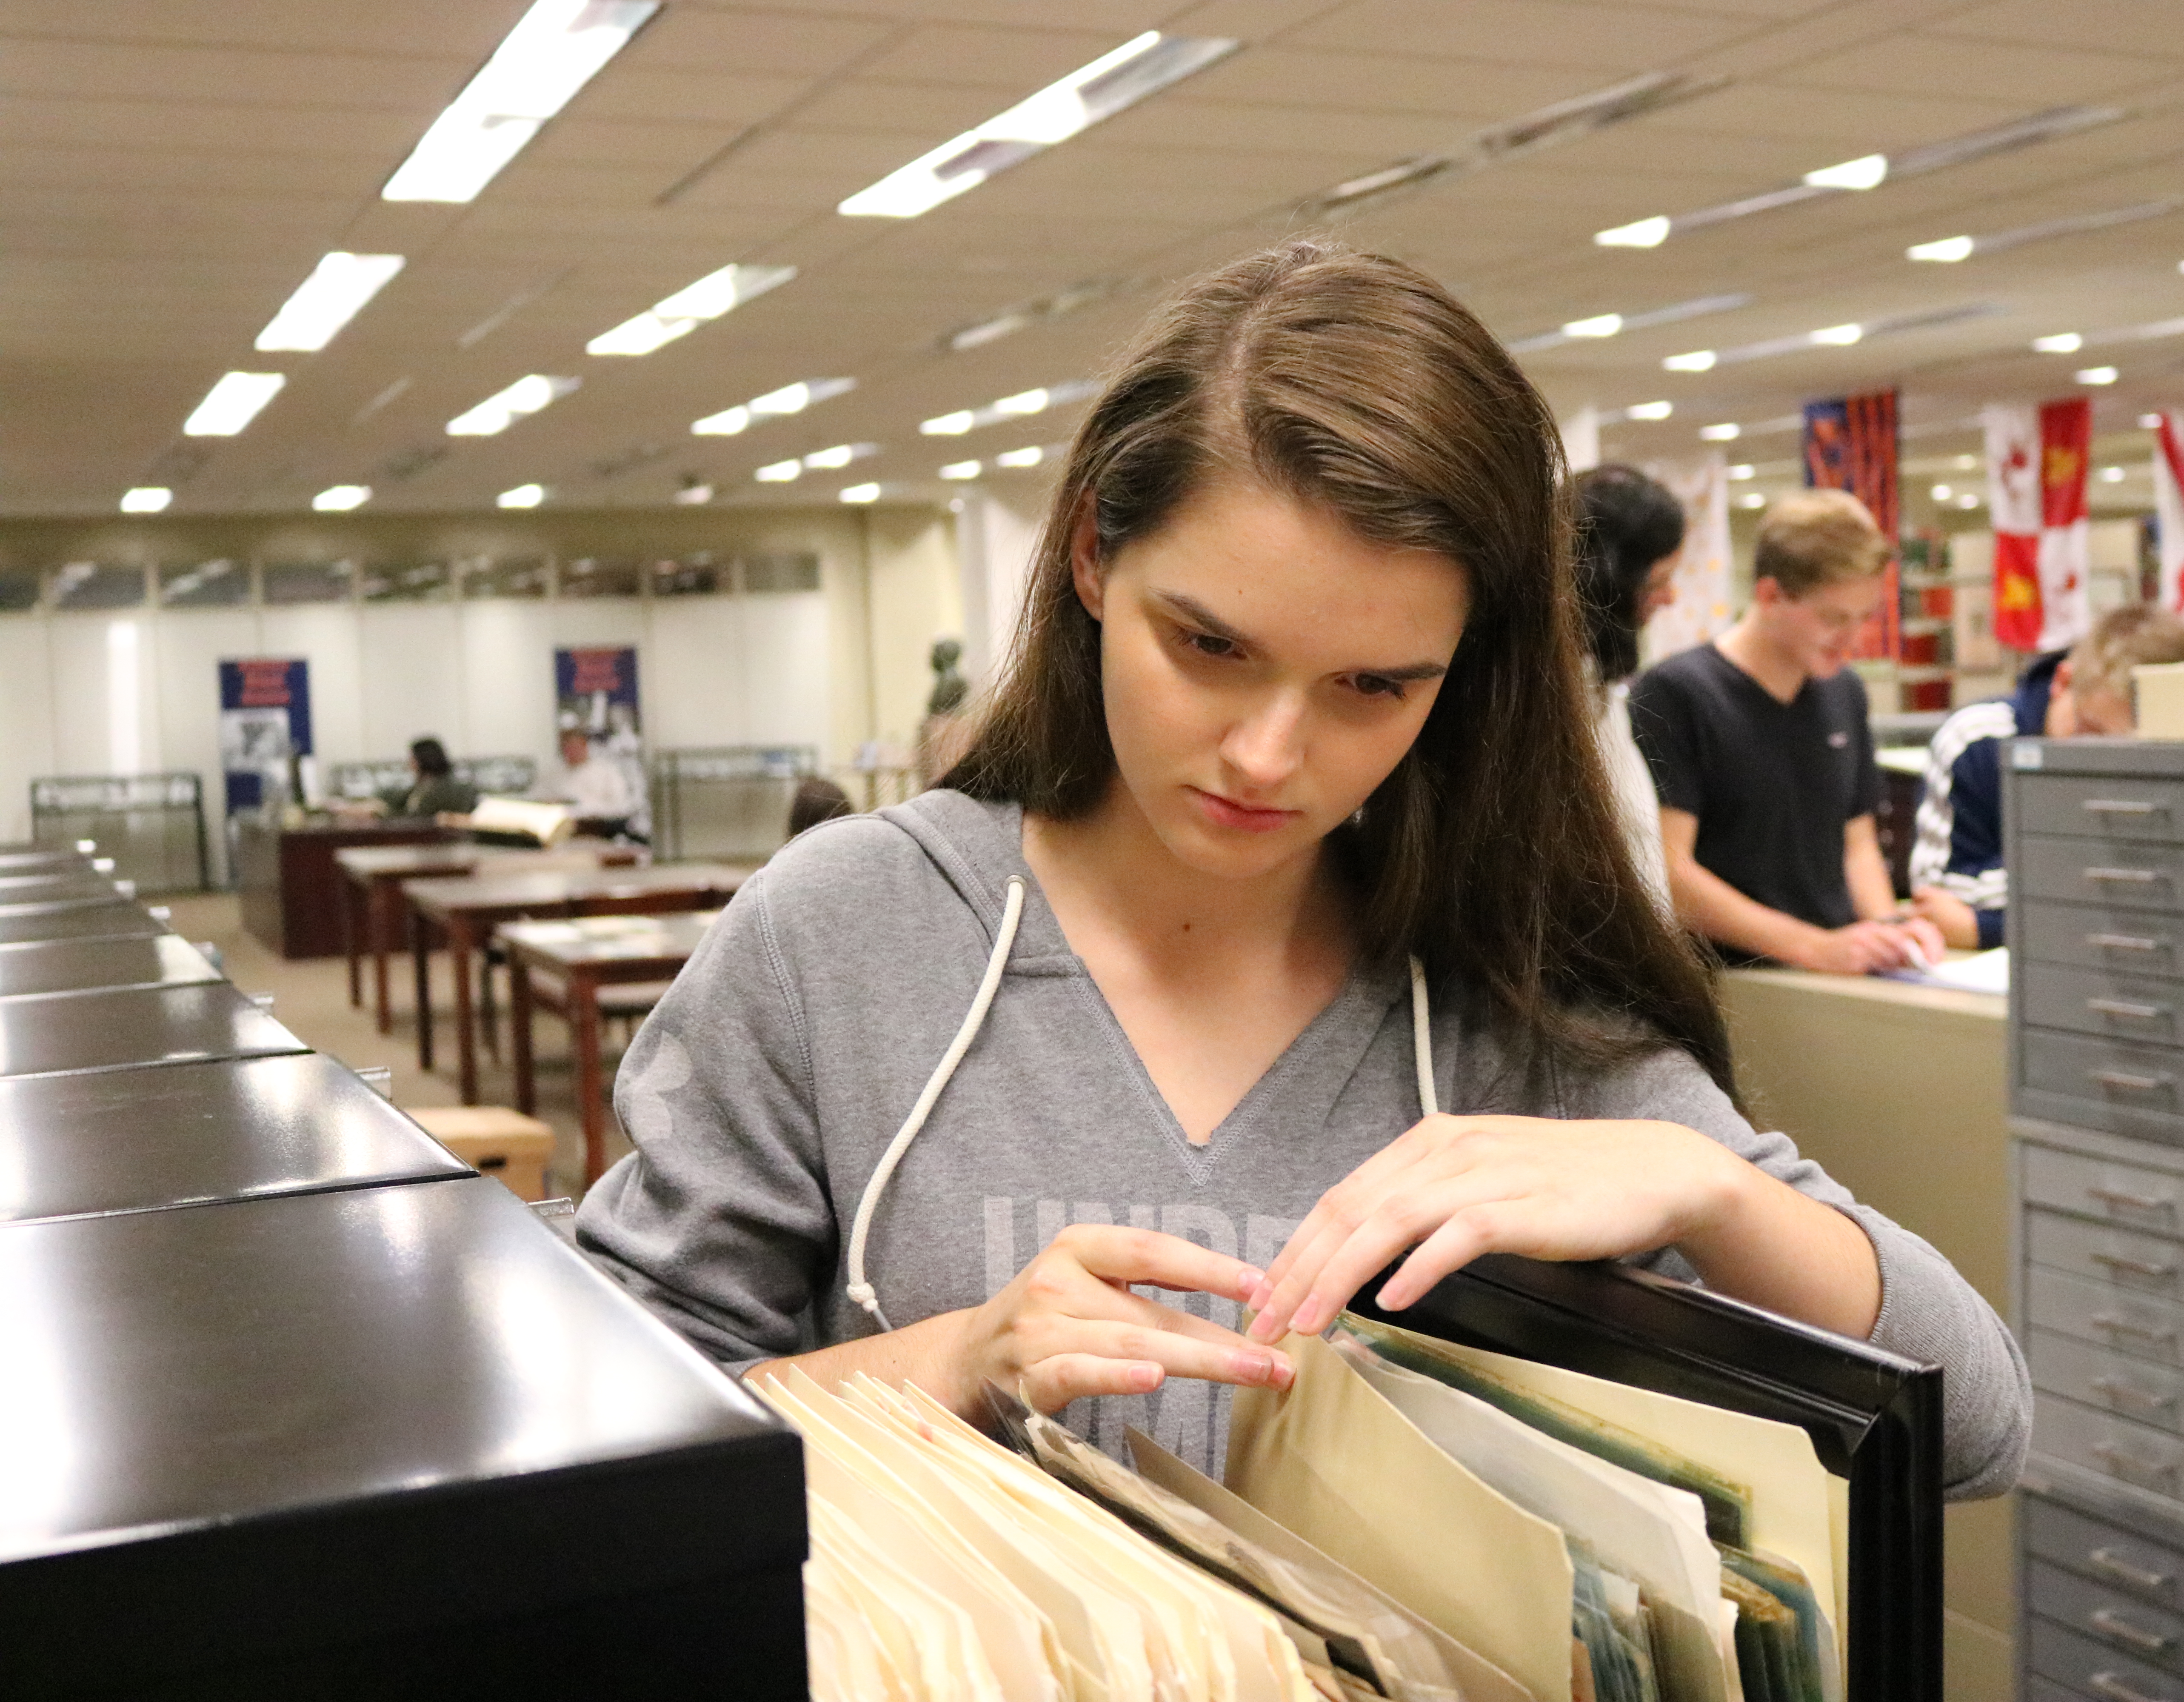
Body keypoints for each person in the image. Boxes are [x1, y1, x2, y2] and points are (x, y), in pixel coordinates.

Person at [573, 242, 2028, 1500]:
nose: (1269, 757)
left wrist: (1711, 1192)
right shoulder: (850, 934)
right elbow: (610, 1447)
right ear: (1092, 559)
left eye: (1372, 687)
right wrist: (956, 1356)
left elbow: (1975, 1425)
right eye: (1209, 647)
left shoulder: (1509, 991)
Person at [1629, 490, 1944, 975]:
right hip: (1733, 981)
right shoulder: (1678, 693)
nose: (1854, 640)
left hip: (1831, 971)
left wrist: (1889, 926)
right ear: (1771, 595)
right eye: (1834, 618)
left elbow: (1856, 842)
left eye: (1865, 618)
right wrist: (1811, 946)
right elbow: (1670, 874)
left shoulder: (1845, 693)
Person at [1910, 603, 2184, 949]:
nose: (2106, 763)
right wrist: (2097, 880)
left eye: (2129, 750)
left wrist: (1988, 925)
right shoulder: (1975, 742)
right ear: (2063, 683)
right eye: (2090, 733)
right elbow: (1938, 899)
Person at [1570, 464, 1684, 910]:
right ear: (1611, 580)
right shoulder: (1551, 691)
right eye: (1658, 582)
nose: (1670, 598)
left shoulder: (1595, 681)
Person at [551, 727, 641, 839]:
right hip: (565, 831)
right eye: (567, 748)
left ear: (584, 746)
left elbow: (620, 805)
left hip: (601, 829)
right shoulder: (555, 775)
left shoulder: (606, 772)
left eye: (574, 747)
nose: (571, 752)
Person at [391, 737, 477, 820]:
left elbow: (422, 816)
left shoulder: (445, 789)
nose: (410, 764)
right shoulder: (421, 787)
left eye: (413, 759)